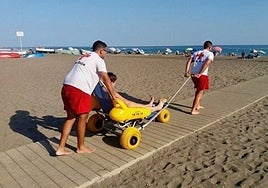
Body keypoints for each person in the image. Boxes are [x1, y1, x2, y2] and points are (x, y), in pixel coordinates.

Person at [56, 40, 117, 156]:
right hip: (80, 89)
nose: (106, 53)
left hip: (67, 86)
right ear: (101, 50)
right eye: (106, 51)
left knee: (71, 118)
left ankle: (61, 148)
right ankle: (81, 147)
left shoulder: (83, 57)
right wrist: (113, 95)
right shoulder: (98, 60)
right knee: (82, 118)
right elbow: (106, 78)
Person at [184, 40, 214, 115]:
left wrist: (187, 72)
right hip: (202, 75)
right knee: (199, 91)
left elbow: (189, 61)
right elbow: (207, 63)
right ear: (210, 47)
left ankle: (198, 105)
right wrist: (200, 73)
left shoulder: (196, 53)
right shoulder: (210, 54)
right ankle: (193, 110)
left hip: (193, 74)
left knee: (200, 89)